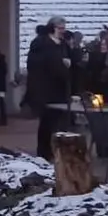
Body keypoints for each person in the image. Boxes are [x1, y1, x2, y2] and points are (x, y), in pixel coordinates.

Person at [27, 18, 72, 160]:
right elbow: (39, 66)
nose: (63, 31)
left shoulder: (62, 45)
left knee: (57, 121)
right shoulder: (41, 44)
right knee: (47, 121)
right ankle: (44, 151)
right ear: (53, 28)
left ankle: (54, 150)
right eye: (60, 28)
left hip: (59, 88)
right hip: (45, 89)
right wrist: (61, 64)